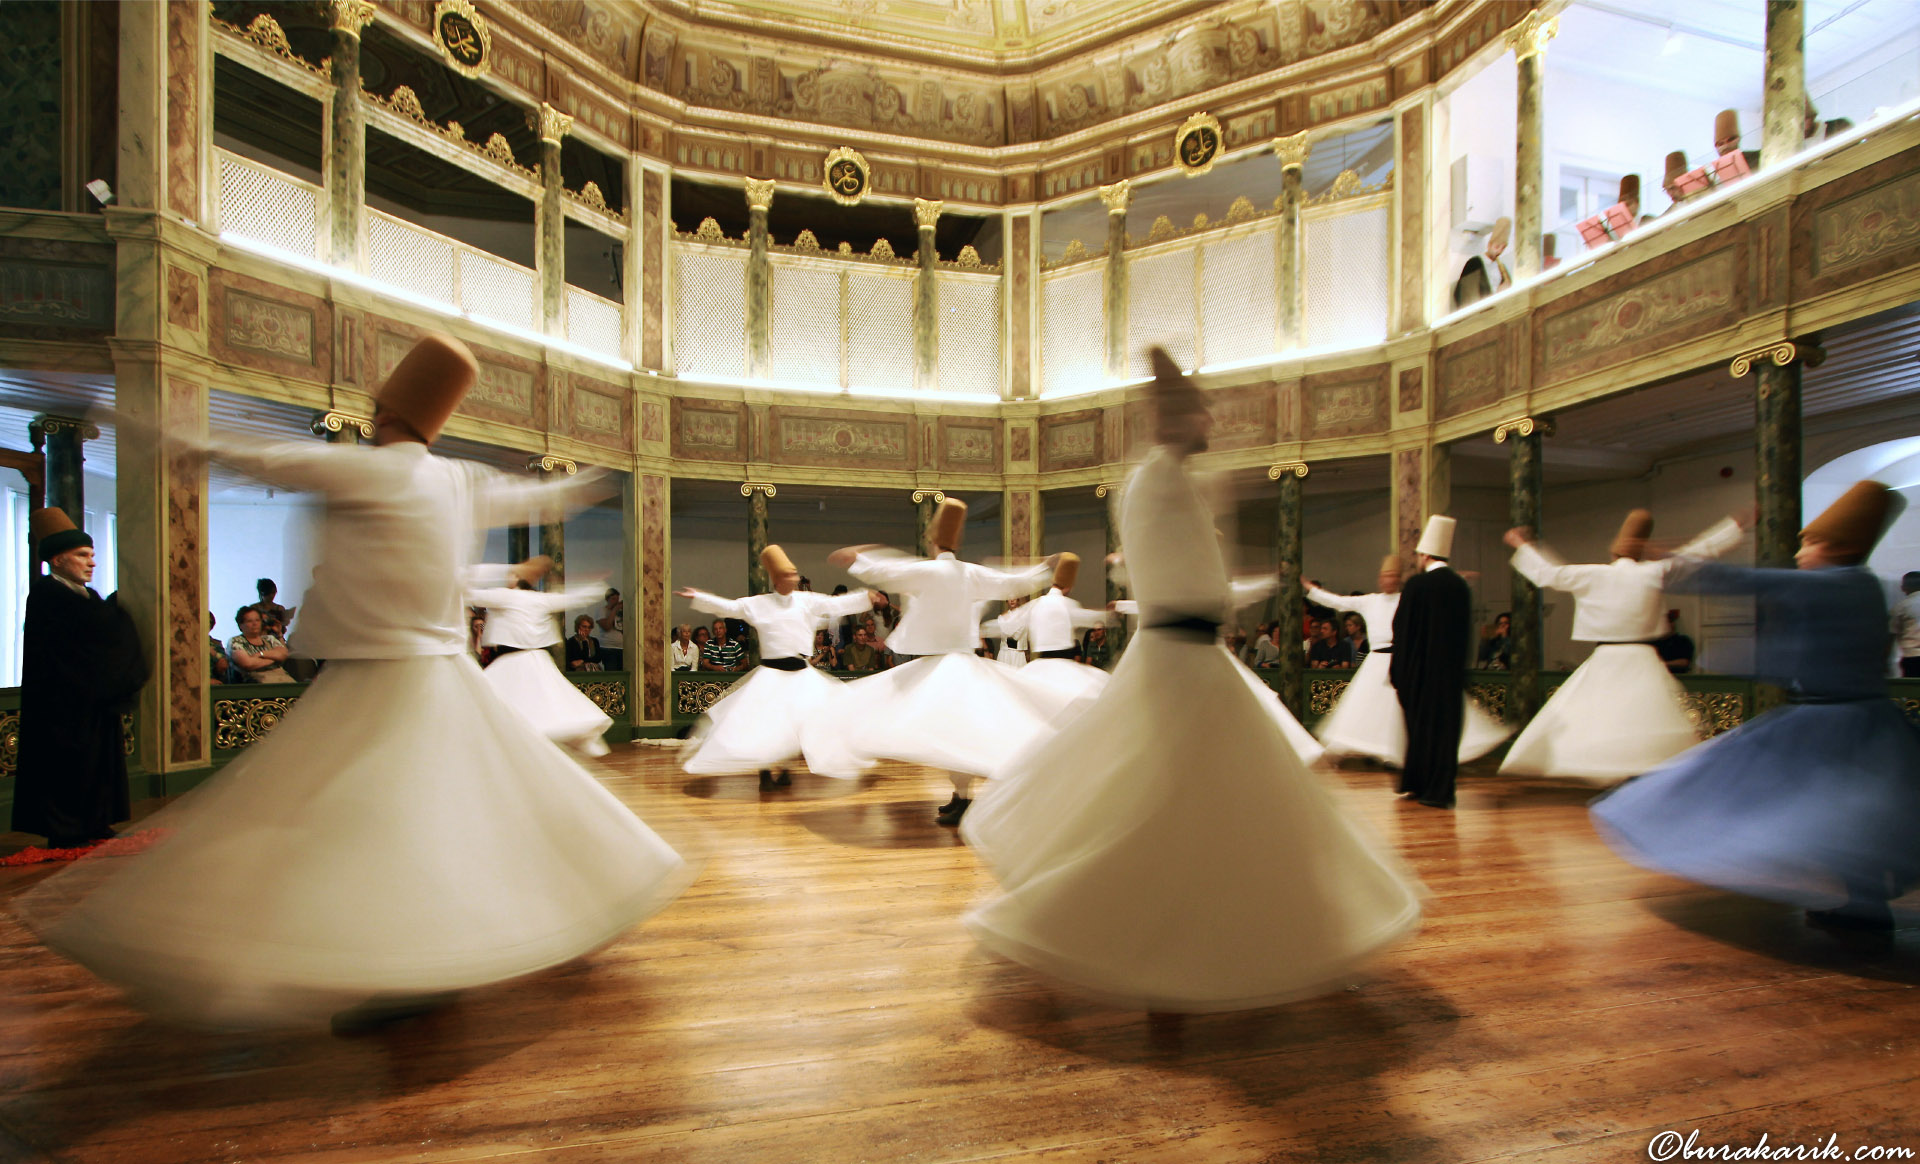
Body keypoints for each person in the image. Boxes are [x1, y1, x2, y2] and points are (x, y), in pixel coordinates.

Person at [20, 334, 693, 1030]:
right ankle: (497, 931)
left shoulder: (375, 472)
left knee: (366, 822)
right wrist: (586, 483)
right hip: (444, 677)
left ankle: (408, 967)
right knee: (471, 813)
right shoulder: (459, 478)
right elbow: (539, 497)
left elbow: (257, 454)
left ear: (386, 414)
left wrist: (138, 422)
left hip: (381, 679)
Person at [958, 347, 1422, 1012]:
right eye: (1200, 411)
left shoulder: (1166, 478)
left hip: (1185, 654)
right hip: (1180, 658)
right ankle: (1100, 925)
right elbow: (1187, 582)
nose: (1212, 422)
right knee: (1167, 796)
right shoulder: (1160, 480)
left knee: (1186, 795)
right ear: (1176, 419)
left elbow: (1191, 577)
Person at [1591, 481, 1920, 932]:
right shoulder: (1870, 587)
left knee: (1792, 804)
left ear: (1835, 547)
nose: (1800, 552)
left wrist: (1662, 556)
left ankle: (1861, 911)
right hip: (1871, 718)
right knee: (1855, 814)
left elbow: (1738, 580)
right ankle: (1864, 907)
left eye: (1809, 543)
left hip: (1826, 719)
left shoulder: (1829, 585)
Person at [803, 499, 1061, 826]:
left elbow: (889, 572)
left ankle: (963, 797)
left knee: (941, 729)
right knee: (961, 732)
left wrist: (857, 558)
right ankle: (962, 796)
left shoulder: (929, 570)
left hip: (943, 667)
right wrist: (1042, 568)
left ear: (934, 540)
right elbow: (1010, 582)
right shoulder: (971, 572)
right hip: (965, 666)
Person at [1499, 509, 1746, 785]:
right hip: (1642, 659)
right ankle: (1638, 780)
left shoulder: (1594, 574)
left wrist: (1523, 544)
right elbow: (1699, 552)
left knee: (1601, 721)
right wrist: (1735, 526)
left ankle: (1612, 775)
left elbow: (1548, 574)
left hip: (1606, 659)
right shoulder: (1653, 572)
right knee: (1641, 723)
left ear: (1613, 552)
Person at [676, 545, 879, 787]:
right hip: (771, 674)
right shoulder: (759, 604)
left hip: (801, 674)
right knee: (766, 724)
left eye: (794, 573)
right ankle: (764, 771)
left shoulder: (807, 601)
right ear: (776, 579)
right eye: (788, 574)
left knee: (796, 724)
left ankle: (784, 768)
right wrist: (699, 598)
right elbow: (729, 608)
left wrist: (865, 598)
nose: (794, 578)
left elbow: (835, 606)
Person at [10, 508, 147, 852]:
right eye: (82, 555)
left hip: (91, 699)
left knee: (96, 764)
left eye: (92, 556)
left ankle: (95, 822)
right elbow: (77, 644)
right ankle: (67, 829)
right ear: (57, 560)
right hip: (61, 704)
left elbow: (100, 632)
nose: (91, 563)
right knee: (66, 768)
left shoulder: (88, 597)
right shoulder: (47, 596)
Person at [1308, 558, 1510, 769]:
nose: (1389, 581)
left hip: (1402, 657)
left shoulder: (1408, 596)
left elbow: (1435, 593)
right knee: (1365, 709)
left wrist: (1459, 579)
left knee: (1399, 711)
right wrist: (1312, 590)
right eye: (1386, 576)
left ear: (1399, 579)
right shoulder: (1370, 601)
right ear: (1380, 579)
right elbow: (1338, 602)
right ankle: (1374, 750)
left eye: (1393, 576)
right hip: (1376, 661)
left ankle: (1397, 754)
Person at [467, 556, 613, 757]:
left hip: (514, 661)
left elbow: (472, 595)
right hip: (536, 660)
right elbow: (572, 599)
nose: (508, 577)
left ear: (517, 579)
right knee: (551, 702)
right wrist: (595, 585)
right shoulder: (539, 599)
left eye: (512, 574)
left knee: (500, 703)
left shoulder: (507, 596)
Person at [1391, 515, 1474, 809]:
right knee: (1445, 733)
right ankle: (1440, 790)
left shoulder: (1417, 586)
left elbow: (1402, 630)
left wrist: (1398, 672)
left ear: (1424, 555)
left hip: (1419, 674)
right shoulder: (1460, 587)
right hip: (1449, 675)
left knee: (1419, 730)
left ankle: (1417, 783)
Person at [998, 553, 1113, 718]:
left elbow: (1010, 621)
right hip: (1065, 668)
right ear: (1068, 587)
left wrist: (987, 628)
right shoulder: (1067, 604)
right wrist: (1110, 614)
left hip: (1039, 667)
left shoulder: (1036, 604)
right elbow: (1089, 617)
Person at [1453, 216, 1512, 309]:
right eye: (1497, 247)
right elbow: (1468, 297)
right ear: (1489, 245)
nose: (1499, 251)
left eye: (1503, 248)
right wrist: (1496, 295)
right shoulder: (1475, 264)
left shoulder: (1502, 268)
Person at [227, 605, 295, 684]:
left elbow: (283, 654)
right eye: (249, 621)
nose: (255, 623)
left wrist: (260, 654)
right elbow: (248, 664)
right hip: (256, 684)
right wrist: (275, 659)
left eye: (257, 620)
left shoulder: (269, 639)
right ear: (240, 625)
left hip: (282, 678)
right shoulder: (236, 641)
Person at [1893, 573, 1920, 678]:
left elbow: (1891, 635)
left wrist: (1884, 660)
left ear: (1903, 587)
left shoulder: (1901, 607)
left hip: (1911, 657)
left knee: (1912, 691)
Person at [1652, 609, 1696, 674]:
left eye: (1670, 622)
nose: (1668, 625)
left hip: (1678, 677)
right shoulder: (1654, 643)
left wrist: (1662, 664)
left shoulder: (1683, 641)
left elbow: (1684, 662)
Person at [595, 588, 624, 671]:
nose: (616, 601)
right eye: (613, 599)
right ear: (607, 599)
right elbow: (607, 626)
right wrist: (614, 610)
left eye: (617, 599)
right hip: (608, 648)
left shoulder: (620, 612)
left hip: (621, 648)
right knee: (612, 673)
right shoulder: (601, 611)